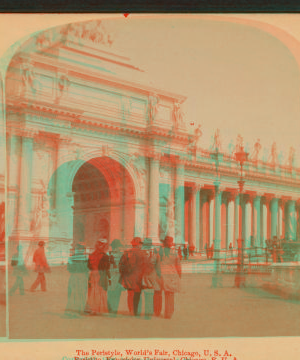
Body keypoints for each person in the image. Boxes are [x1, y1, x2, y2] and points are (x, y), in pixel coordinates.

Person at [153, 236, 181, 319]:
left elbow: (152, 262)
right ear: (171, 243)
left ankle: (157, 312)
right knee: (169, 294)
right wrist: (179, 275)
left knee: (157, 293)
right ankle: (168, 313)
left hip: (159, 274)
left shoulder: (157, 251)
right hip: (170, 275)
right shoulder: (174, 253)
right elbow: (178, 266)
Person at [119, 237, 146, 316]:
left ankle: (131, 310)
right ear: (138, 245)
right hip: (138, 277)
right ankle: (136, 311)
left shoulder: (126, 252)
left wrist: (124, 274)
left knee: (130, 294)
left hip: (128, 276)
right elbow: (145, 266)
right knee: (137, 294)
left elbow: (121, 265)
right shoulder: (142, 253)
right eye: (140, 244)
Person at [85, 239, 110, 315]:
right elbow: (107, 267)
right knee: (100, 291)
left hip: (93, 274)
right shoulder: (105, 256)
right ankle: (99, 309)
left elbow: (88, 266)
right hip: (101, 275)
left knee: (93, 291)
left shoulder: (92, 254)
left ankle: (92, 308)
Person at [65, 243, 89, 316]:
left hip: (73, 277)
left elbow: (69, 269)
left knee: (73, 293)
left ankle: (72, 309)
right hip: (82, 277)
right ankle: (80, 310)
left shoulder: (71, 258)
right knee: (82, 294)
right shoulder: (86, 258)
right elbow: (87, 269)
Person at [141, 238, 161, 319]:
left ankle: (148, 313)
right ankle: (148, 313)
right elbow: (158, 268)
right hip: (150, 278)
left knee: (148, 295)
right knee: (149, 295)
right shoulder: (155, 255)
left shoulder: (143, 255)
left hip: (146, 277)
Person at [107, 239, 124, 315]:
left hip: (116, 277)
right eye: (115, 247)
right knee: (112, 294)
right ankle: (112, 310)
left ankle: (113, 310)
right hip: (112, 277)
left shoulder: (110, 255)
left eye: (116, 247)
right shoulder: (109, 255)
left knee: (115, 294)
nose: (116, 248)